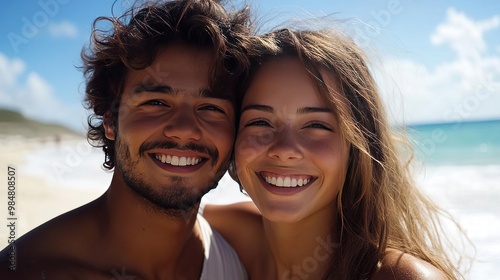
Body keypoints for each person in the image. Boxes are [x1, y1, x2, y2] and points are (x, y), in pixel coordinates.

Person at [0, 0, 251, 279]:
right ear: (110, 119)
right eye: (156, 102)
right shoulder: (25, 270)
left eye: (211, 108)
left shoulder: (249, 248)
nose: (184, 129)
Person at [204, 28, 471, 279]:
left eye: (316, 125)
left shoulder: (399, 276)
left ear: (358, 147)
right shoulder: (232, 228)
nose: (284, 150)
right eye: (260, 122)